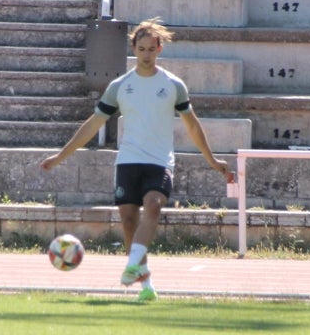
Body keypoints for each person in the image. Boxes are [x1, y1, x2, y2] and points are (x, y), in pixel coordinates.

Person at [41, 17, 232, 302]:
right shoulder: (120, 86)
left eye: (150, 49)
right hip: (128, 160)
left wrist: (213, 161)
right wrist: (61, 156)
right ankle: (146, 285)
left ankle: (131, 265)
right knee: (129, 222)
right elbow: (93, 124)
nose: (145, 55)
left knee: (153, 205)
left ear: (159, 50)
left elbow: (192, 125)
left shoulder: (173, 85)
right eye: (140, 49)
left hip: (159, 161)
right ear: (133, 48)